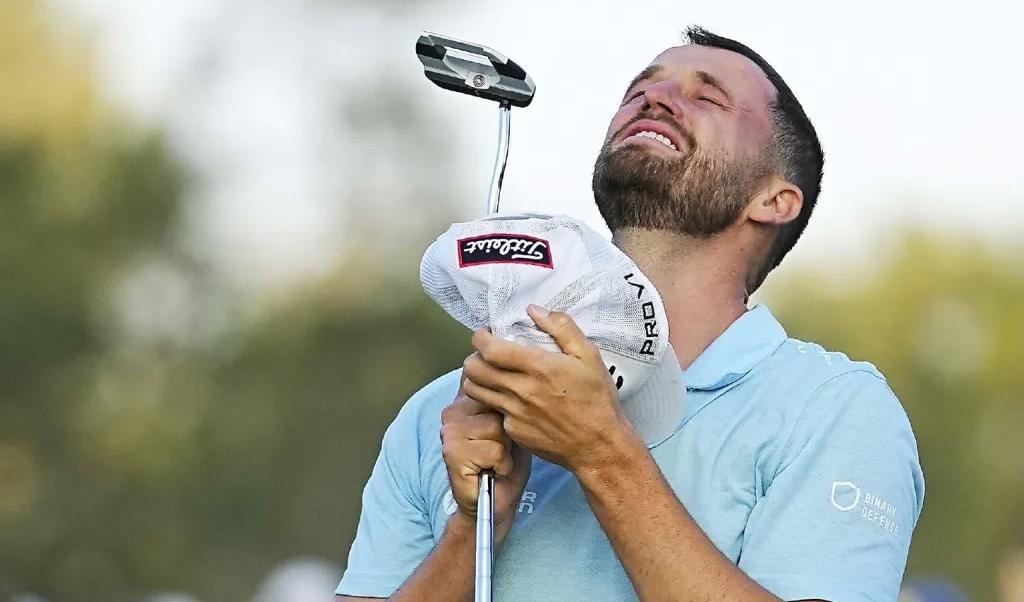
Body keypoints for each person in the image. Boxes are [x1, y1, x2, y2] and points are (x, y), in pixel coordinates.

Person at [336, 26, 925, 602]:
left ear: (775, 200)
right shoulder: (445, 410)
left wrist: (600, 452)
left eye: (706, 96)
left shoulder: (833, 408)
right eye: (638, 89)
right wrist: (472, 529)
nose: (655, 97)